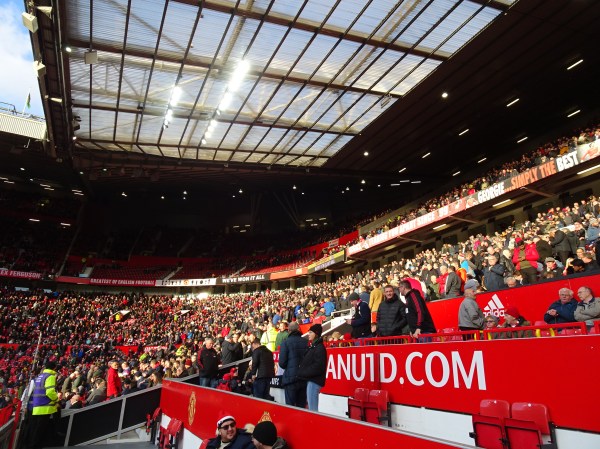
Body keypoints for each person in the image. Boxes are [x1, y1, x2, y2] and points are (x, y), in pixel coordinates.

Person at [26, 360, 59, 449]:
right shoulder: (50, 377)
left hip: (36, 406)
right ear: (54, 368)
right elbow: (50, 392)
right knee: (39, 430)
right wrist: (56, 399)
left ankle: (31, 445)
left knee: (35, 429)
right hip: (45, 407)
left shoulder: (40, 376)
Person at [278, 321, 308, 408]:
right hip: (303, 378)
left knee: (290, 408)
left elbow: (282, 363)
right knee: (301, 408)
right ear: (298, 329)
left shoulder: (285, 342)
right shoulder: (306, 342)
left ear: (289, 330)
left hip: (290, 379)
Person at [297, 324, 327, 412]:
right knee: (311, 408)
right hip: (312, 380)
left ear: (316, 333)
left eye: (310, 332)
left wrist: (303, 372)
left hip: (314, 381)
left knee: (313, 410)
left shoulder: (319, 348)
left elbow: (318, 366)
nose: (308, 334)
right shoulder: (314, 346)